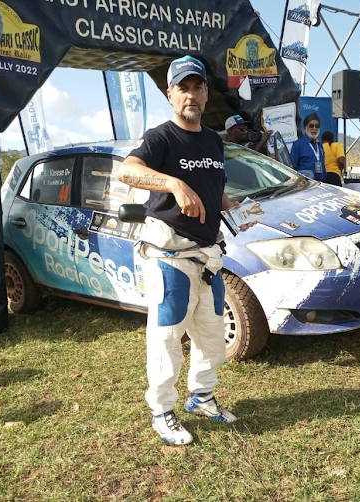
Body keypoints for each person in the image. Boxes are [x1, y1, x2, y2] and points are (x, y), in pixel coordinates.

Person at [117, 56, 238, 445]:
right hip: (171, 256)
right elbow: (127, 170)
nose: (191, 94)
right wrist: (174, 184)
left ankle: (202, 397)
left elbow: (212, 185)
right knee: (168, 338)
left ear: (205, 93)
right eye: (182, 88)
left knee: (212, 335)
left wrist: (228, 202)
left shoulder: (213, 140)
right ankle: (162, 411)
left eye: (197, 87)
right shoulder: (161, 137)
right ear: (170, 94)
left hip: (208, 256)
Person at [289, 113, 326, 181]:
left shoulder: (319, 145)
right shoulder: (298, 144)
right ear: (305, 127)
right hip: (304, 186)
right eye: (311, 126)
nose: (314, 128)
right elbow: (291, 169)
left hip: (320, 185)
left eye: (317, 126)